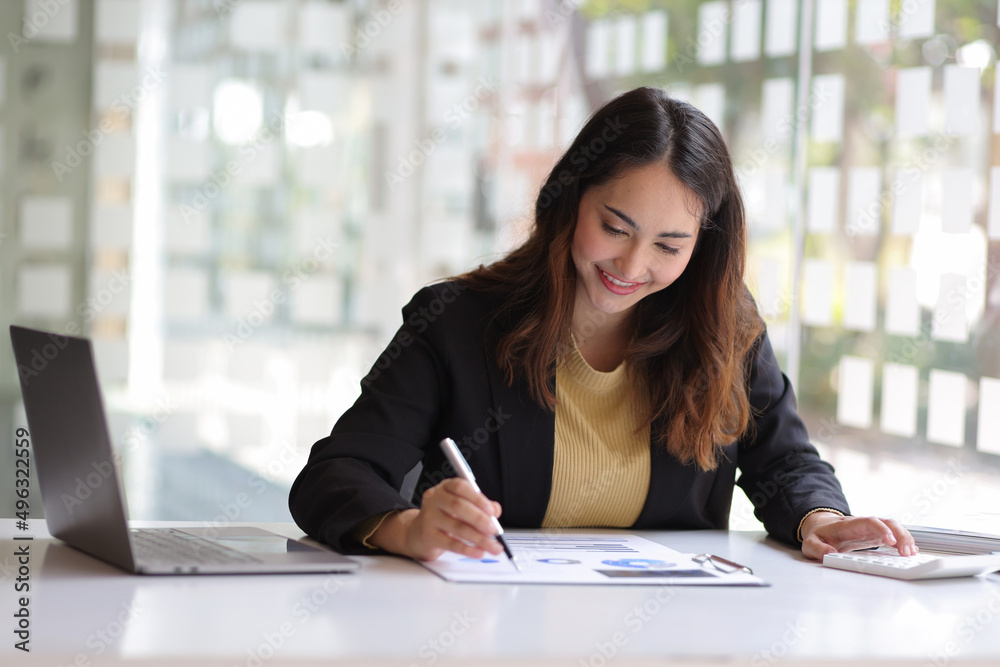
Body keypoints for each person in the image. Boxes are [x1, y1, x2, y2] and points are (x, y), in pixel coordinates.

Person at [289, 86, 916, 562]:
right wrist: (409, 528)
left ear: (703, 244)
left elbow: (785, 464)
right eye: (615, 228)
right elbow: (334, 477)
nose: (632, 265)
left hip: (670, 638)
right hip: (492, 630)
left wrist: (821, 519)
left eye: (669, 246)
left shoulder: (724, 327)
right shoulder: (456, 322)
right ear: (569, 200)